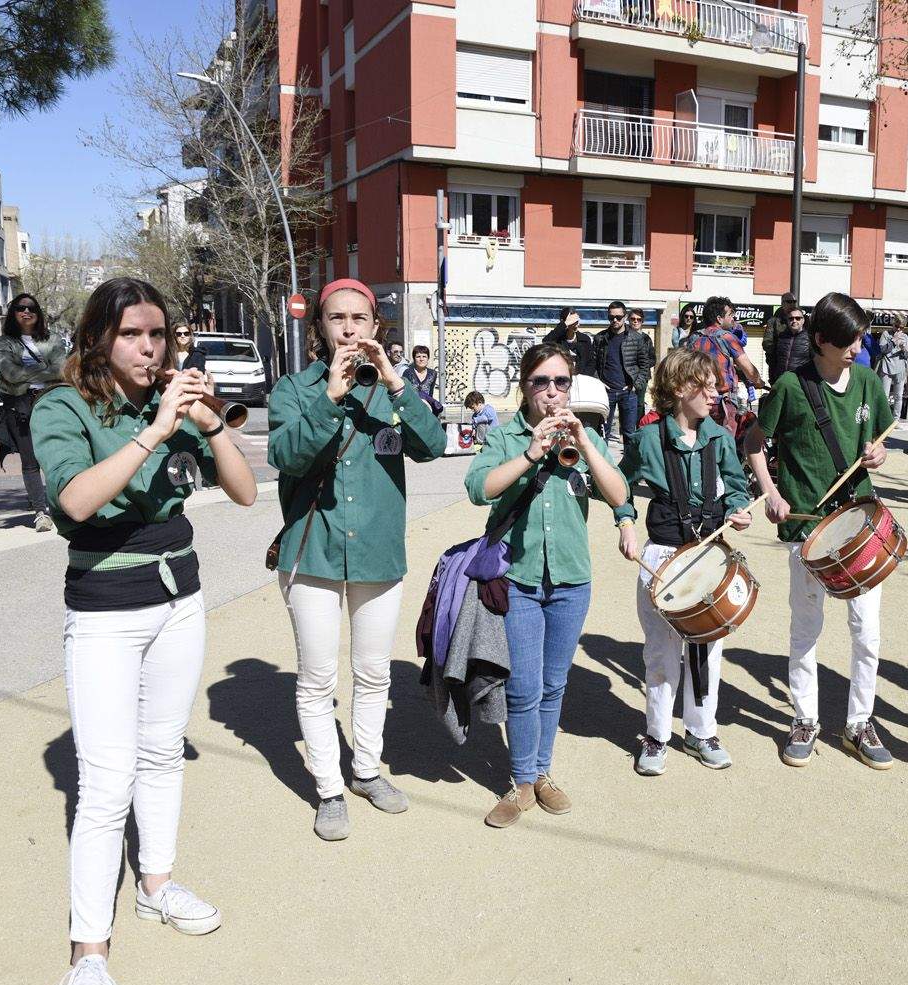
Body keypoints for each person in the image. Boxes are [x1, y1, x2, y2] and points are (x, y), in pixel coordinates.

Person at [32, 277, 257, 985]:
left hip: (179, 599)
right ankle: (88, 952)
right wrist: (157, 429)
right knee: (104, 782)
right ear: (99, 338)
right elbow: (76, 501)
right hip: (103, 608)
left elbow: (246, 492)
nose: (149, 347)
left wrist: (210, 422)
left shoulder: (164, 397)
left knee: (161, 751)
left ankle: (156, 885)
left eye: (157, 334)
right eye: (132, 334)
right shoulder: (62, 407)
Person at [267, 279, 448, 841]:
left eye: (359, 319)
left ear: (375, 327)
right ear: (320, 327)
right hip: (313, 551)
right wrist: (329, 397)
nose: (349, 328)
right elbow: (286, 456)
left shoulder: (391, 391)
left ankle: (366, 769)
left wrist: (395, 384)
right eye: (337, 318)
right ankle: (328, 788)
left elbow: (433, 445)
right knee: (318, 678)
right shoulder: (295, 390)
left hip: (377, 550)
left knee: (372, 674)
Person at [465, 343, 628, 827]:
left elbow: (618, 494)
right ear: (525, 387)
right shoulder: (506, 433)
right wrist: (531, 451)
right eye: (541, 382)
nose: (552, 392)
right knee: (524, 685)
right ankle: (520, 782)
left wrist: (586, 442)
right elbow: (479, 489)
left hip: (571, 580)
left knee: (555, 684)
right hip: (518, 578)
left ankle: (542, 774)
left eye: (561, 383)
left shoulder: (586, 435)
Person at [744, 292, 895, 769]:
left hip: (858, 527)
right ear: (821, 340)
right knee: (806, 629)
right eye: (849, 339)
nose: (858, 345)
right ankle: (805, 717)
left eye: (861, 337)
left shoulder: (869, 381)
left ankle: (859, 723)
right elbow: (754, 441)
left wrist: (878, 454)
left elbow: (882, 440)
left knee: (866, 633)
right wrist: (771, 492)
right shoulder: (790, 385)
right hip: (806, 527)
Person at [615, 348, 753, 774]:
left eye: (715, 385)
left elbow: (736, 485)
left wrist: (738, 507)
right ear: (679, 389)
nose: (715, 393)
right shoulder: (646, 440)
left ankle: (700, 731)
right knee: (660, 652)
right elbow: (617, 481)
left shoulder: (720, 438)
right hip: (662, 556)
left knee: (708, 651)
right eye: (706, 386)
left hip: (710, 556)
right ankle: (656, 735)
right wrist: (625, 522)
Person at [0, 292, 69, 531]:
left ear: (38, 314)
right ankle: (41, 512)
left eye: (31, 308)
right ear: (13, 313)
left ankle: (62, 505)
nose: (26, 312)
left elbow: (62, 371)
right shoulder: (4, 342)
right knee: (30, 460)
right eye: (20, 308)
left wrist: (27, 374)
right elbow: (10, 375)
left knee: (56, 455)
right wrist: (44, 369)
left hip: (50, 400)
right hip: (21, 405)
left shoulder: (52, 339)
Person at [687, 295, 761, 427]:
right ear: (719, 319)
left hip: (696, 401)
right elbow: (749, 370)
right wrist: (758, 381)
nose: (733, 319)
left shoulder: (693, 338)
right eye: (730, 315)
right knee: (724, 444)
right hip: (720, 404)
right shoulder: (728, 338)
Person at [593, 300, 653, 441]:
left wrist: (635, 385)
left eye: (618, 317)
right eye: (611, 317)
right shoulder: (600, 338)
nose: (615, 320)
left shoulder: (637, 338)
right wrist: (598, 382)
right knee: (603, 434)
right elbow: (593, 364)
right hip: (606, 392)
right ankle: (604, 463)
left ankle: (628, 463)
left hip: (628, 392)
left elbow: (645, 366)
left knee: (629, 434)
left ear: (625, 317)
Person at [543, 307, 598, 378]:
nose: (576, 324)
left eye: (577, 321)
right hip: (561, 379)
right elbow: (546, 342)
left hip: (581, 380)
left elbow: (591, 362)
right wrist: (564, 324)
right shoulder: (557, 339)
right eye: (573, 321)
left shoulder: (584, 339)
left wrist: (583, 378)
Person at [877, 314, 908, 419]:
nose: (899, 329)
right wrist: (893, 341)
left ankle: (896, 419)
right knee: (885, 396)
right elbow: (882, 350)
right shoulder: (886, 334)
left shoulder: (905, 337)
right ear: (893, 324)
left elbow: (906, 356)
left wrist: (903, 349)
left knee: (898, 396)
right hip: (887, 366)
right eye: (897, 326)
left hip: (900, 368)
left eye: (902, 327)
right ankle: (884, 419)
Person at [768, 304, 812, 383]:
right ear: (787, 321)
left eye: (798, 318)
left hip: (800, 384)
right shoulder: (781, 337)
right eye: (791, 318)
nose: (794, 321)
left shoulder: (809, 339)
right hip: (780, 382)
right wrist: (772, 380)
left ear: (803, 320)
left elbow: (815, 364)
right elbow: (773, 360)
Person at [761, 293, 798, 377]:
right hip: (778, 367)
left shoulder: (802, 319)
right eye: (789, 301)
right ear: (782, 303)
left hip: (798, 366)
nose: (792, 304)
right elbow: (767, 343)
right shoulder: (774, 321)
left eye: (794, 302)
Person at [402, 344, 443, 417]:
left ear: (428, 358)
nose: (421, 359)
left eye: (424, 356)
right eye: (418, 356)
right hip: (411, 409)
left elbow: (430, 393)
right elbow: (405, 392)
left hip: (426, 409)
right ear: (414, 358)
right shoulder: (408, 372)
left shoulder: (432, 373)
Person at [628, 307, 654, 412]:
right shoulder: (624, 337)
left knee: (639, 403)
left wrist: (642, 367)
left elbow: (653, 359)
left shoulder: (646, 338)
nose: (635, 321)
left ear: (642, 321)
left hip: (643, 376)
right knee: (627, 404)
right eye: (633, 319)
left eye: (638, 319)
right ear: (629, 320)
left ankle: (640, 427)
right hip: (628, 376)